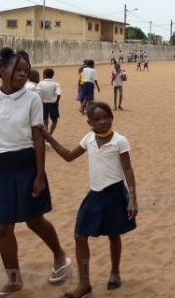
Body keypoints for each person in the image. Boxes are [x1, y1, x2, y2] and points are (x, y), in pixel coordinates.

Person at [0, 48, 71, 297]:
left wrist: (39, 175)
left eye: (26, 70)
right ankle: (14, 279)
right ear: (2, 70)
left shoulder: (32, 99)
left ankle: (60, 255)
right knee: (2, 226)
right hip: (2, 167)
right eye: (17, 69)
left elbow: (38, 139)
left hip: (27, 163)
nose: (23, 73)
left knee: (34, 220)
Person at [40, 101, 137, 298]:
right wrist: (48, 137)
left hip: (115, 194)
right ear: (89, 122)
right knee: (79, 236)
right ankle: (84, 284)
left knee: (113, 234)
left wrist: (132, 197)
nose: (102, 122)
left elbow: (127, 169)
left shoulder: (120, 141)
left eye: (106, 117)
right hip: (95, 195)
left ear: (112, 118)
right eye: (97, 119)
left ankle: (115, 272)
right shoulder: (89, 139)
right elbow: (68, 156)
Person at [37, 68, 62, 136]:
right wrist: (57, 102)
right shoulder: (56, 84)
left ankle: (46, 132)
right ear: (52, 75)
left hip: (43, 103)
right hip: (53, 104)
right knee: (54, 120)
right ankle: (50, 134)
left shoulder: (40, 83)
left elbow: (39, 94)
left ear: (44, 75)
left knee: (45, 119)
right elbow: (59, 94)